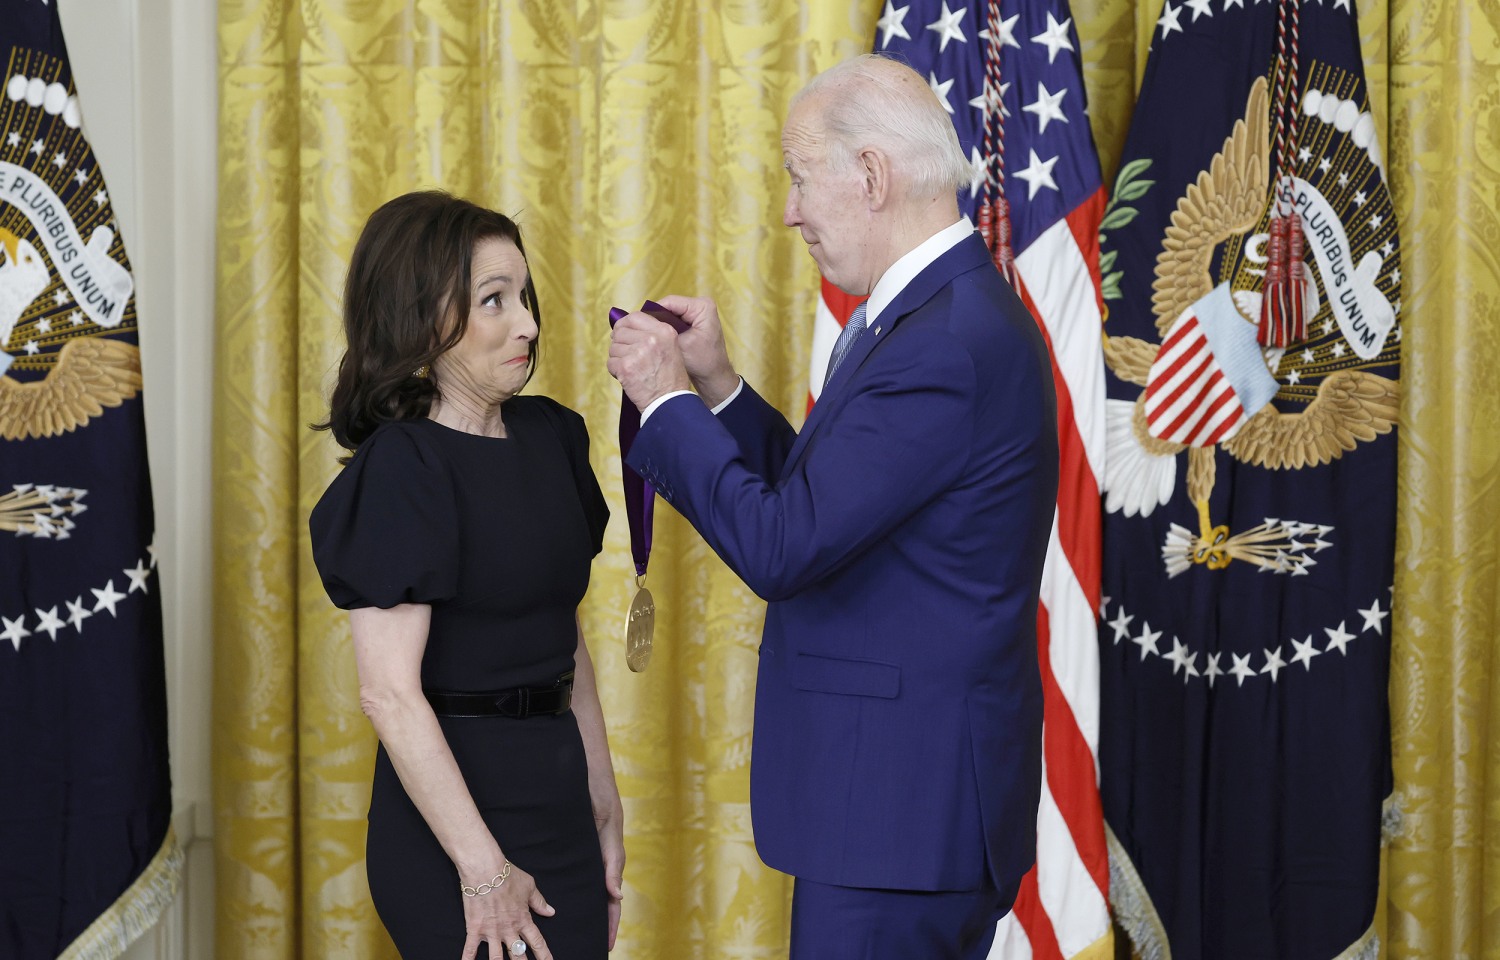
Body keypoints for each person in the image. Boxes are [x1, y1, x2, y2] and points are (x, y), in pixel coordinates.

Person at [606, 55, 1057, 959]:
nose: (790, 211)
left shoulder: (945, 341)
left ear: (873, 176)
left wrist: (665, 406)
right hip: (897, 811)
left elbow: (784, 544)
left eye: (800, 178)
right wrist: (721, 390)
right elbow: (835, 504)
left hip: (898, 816)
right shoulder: (939, 315)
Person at [309, 191, 623, 960]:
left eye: (524, 297)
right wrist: (483, 871)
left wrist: (603, 801)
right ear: (425, 318)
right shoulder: (403, 467)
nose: (527, 324)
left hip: (557, 801)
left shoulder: (553, 436)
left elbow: (562, 633)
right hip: (452, 832)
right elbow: (388, 692)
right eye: (494, 301)